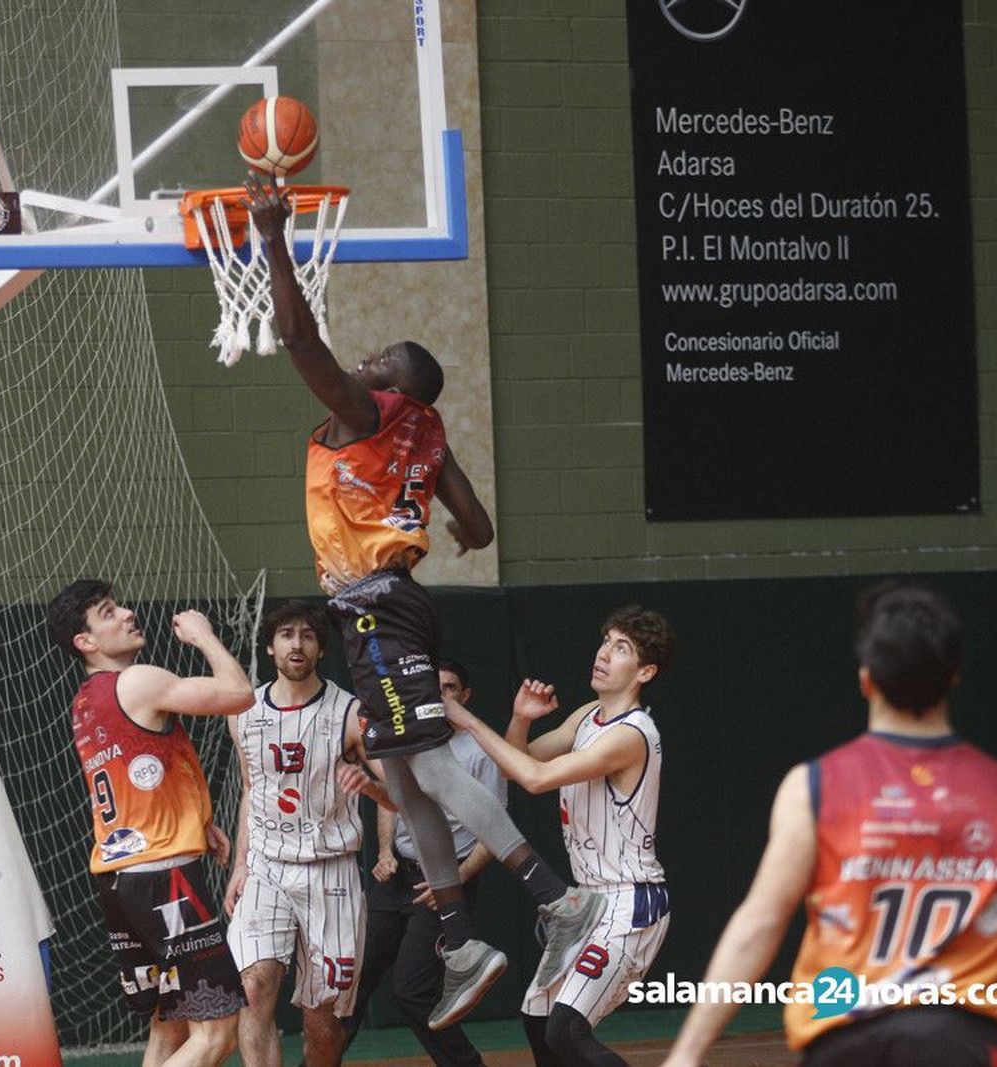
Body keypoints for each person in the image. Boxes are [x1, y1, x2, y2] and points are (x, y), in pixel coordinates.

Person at [244, 172, 599, 1031]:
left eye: (376, 364)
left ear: (395, 384)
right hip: (391, 600)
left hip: (374, 605)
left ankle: (554, 897)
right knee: (403, 777)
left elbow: (296, 336)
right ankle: (459, 935)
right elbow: (475, 527)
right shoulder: (430, 435)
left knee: (429, 763)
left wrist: (270, 237)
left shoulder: (370, 410)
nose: (361, 365)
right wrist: (424, 502)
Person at [660, 582, 997, 1067]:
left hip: (845, 1043)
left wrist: (685, 1055)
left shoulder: (814, 786)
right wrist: (981, 900)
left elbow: (761, 922)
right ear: (954, 675)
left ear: (867, 679)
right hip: (958, 1043)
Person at [445, 608, 676, 1067]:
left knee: (566, 1030)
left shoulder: (632, 735)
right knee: (538, 1021)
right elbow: (519, 759)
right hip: (586, 903)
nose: (604, 654)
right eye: (606, 641)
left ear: (645, 671)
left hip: (630, 904)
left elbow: (534, 778)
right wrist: (521, 718)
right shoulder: (591, 715)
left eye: (622, 648)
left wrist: (467, 721)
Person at [47, 579, 255, 1067]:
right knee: (217, 1034)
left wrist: (197, 818)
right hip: (166, 877)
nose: (127, 613)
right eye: (108, 612)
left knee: (170, 1024)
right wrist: (203, 635)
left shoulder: (85, 703)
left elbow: (140, 773)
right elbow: (239, 693)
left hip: (123, 878)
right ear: (87, 642)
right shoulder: (135, 680)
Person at [223, 600, 372, 1067]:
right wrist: (240, 865)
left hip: (331, 871)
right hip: (267, 866)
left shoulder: (350, 713)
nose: (296, 643)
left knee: (321, 1016)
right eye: (286, 634)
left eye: (307, 635)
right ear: (270, 646)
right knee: (253, 985)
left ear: (320, 649)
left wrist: (372, 786)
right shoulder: (243, 712)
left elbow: (394, 792)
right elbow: (252, 790)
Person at [341, 659, 502, 1067]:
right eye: (434, 687)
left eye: (449, 688)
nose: (440, 694)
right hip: (396, 878)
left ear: (464, 697)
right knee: (353, 984)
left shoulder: (479, 751)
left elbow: (495, 830)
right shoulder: (405, 737)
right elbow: (394, 802)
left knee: (411, 990)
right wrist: (383, 852)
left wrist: (456, 880)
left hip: (445, 882)